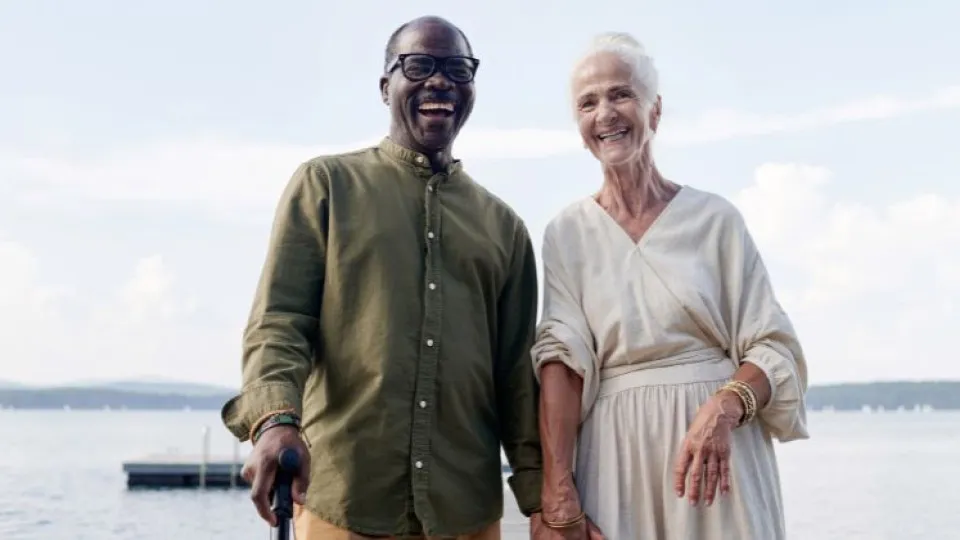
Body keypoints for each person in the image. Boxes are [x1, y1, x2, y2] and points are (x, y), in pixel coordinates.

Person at [220, 16, 545, 539]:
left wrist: (542, 499)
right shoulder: (326, 185)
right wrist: (276, 420)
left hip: (465, 509)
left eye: (458, 69)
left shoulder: (505, 227)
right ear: (385, 86)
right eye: (418, 65)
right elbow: (280, 322)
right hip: (345, 499)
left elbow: (517, 380)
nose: (439, 81)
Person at [531, 32, 810, 540]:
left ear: (654, 110)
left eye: (621, 94)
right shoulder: (566, 234)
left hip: (718, 462)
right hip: (613, 459)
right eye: (588, 103)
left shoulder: (716, 220)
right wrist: (558, 495)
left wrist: (725, 407)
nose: (605, 114)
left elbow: (775, 349)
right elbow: (560, 362)